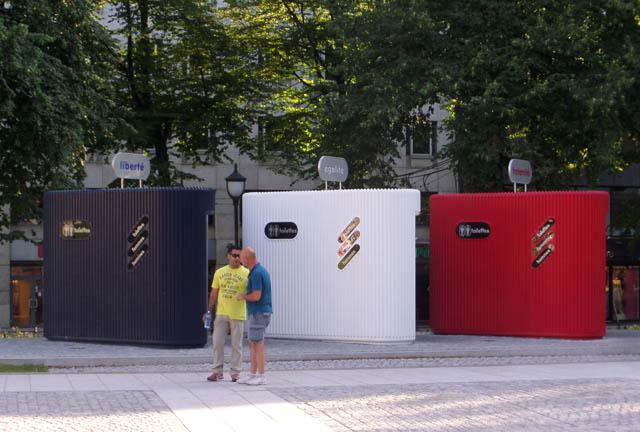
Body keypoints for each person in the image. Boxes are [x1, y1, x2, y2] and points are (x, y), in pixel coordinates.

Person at [204, 244, 249, 382]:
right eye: (234, 255)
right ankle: (217, 371)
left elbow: (253, 292)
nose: (237, 258)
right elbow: (214, 293)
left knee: (237, 345)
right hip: (221, 313)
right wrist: (208, 311)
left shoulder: (247, 273)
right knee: (217, 342)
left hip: (238, 313)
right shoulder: (219, 272)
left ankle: (235, 372)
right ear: (228, 256)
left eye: (239, 256)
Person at [236, 247, 272, 385]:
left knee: (257, 344)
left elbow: (256, 296)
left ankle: (261, 376)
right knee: (253, 343)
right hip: (258, 313)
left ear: (247, 258)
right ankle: (252, 374)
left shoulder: (256, 273)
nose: (240, 261)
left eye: (241, 258)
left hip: (259, 313)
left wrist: (243, 296)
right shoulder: (258, 271)